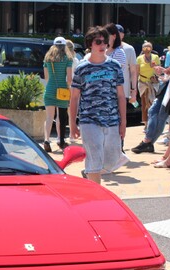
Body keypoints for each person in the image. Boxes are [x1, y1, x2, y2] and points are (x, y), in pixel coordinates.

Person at [70, 26, 126, 185]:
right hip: (89, 120)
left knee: (110, 161)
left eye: (106, 42)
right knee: (94, 158)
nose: (103, 46)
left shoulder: (114, 66)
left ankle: (89, 171)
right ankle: (96, 192)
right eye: (98, 42)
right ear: (90, 44)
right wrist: (72, 123)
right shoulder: (82, 68)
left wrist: (123, 122)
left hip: (112, 120)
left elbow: (121, 95)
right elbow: (74, 98)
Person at [42, 36, 73, 152]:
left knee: (49, 117)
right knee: (61, 116)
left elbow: (46, 77)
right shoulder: (67, 59)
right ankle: (61, 140)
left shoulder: (47, 59)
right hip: (62, 91)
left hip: (49, 90)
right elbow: (69, 79)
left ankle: (46, 140)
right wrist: (69, 89)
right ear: (64, 46)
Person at [136, 41, 160, 124]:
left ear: (151, 48)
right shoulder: (139, 58)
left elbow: (159, 71)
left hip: (153, 83)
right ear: (142, 49)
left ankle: (154, 121)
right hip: (143, 83)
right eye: (145, 47)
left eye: (148, 47)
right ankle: (146, 122)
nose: (147, 49)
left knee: (154, 102)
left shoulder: (155, 57)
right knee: (144, 102)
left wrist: (155, 68)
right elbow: (136, 71)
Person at [117, 24, 139, 110]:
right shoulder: (105, 49)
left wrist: (133, 90)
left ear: (122, 35)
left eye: (118, 33)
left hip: (123, 90)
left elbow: (133, 71)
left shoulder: (129, 49)